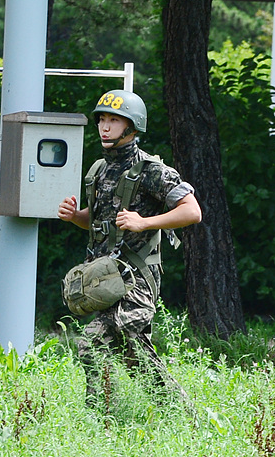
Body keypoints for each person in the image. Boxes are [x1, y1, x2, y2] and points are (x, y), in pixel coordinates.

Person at [58, 89, 202, 406]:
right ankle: (179, 414)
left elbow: (192, 212)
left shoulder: (152, 170)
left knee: (91, 343)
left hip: (137, 280)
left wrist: (144, 222)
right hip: (105, 277)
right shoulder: (99, 169)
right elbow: (99, 223)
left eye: (114, 120)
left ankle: (100, 417)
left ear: (132, 128)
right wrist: (76, 217)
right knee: (133, 355)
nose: (105, 127)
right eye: (102, 120)